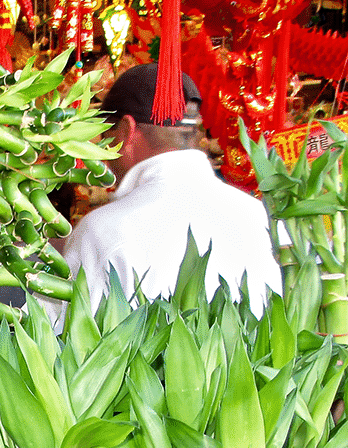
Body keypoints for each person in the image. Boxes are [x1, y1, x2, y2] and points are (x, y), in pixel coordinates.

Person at [62, 63, 282, 317]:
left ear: (126, 131)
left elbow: (57, 328)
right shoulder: (256, 213)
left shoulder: (101, 231)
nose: (104, 155)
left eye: (105, 137)